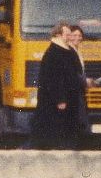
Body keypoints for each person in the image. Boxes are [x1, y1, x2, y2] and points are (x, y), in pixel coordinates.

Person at [28, 21, 90, 149]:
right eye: (67, 34)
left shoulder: (65, 51)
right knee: (55, 132)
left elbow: (72, 74)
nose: (70, 37)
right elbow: (53, 79)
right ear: (58, 35)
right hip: (58, 101)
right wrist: (60, 99)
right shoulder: (54, 53)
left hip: (68, 99)